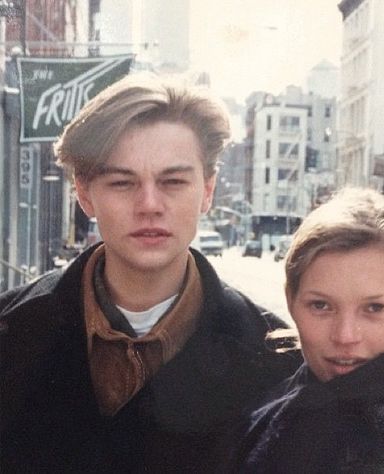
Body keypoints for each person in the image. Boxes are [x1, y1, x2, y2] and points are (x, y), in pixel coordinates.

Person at [0, 73, 301, 473]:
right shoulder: (10, 331)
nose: (149, 204)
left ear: (207, 191)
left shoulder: (278, 359)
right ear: (85, 194)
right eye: (123, 182)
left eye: (173, 181)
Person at [220, 187, 384, 473]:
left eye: (374, 308)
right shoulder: (251, 423)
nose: (345, 336)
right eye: (321, 306)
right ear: (291, 301)